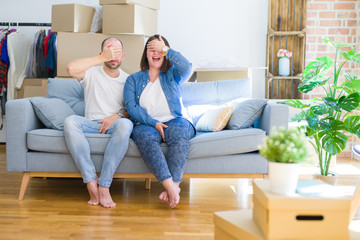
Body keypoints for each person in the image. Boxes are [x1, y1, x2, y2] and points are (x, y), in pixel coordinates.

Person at [124, 34, 195, 208]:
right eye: (151, 49)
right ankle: (170, 186)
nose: (156, 53)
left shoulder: (174, 74)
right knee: (144, 137)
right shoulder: (132, 79)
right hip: (146, 124)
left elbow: (188, 66)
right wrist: (153, 122)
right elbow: (132, 108)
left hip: (175, 120)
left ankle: (173, 187)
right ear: (145, 54)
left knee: (179, 132)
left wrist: (166, 49)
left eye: (159, 49)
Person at [64, 37, 133, 208]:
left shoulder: (129, 80)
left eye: (117, 52)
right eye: (110, 51)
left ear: (123, 56)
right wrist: (102, 58)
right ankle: (90, 181)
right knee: (70, 122)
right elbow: (71, 68)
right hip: (91, 124)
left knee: (126, 124)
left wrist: (116, 115)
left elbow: (133, 110)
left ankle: (104, 185)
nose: (113, 56)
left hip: (115, 125)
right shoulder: (91, 73)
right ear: (102, 53)